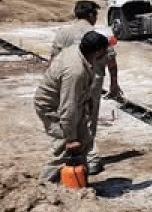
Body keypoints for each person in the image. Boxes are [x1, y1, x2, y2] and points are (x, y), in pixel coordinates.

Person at [50, 0, 122, 174]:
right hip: (92, 83)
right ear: (91, 15)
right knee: (88, 119)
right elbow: (111, 62)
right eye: (96, 15)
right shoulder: (98, 35)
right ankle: (90, 159)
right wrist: (114, 84)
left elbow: (53, 60)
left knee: (68, 114)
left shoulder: (63, 33)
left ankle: (71, 156)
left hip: (67, 80)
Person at [34, 31, 109, 182]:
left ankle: (77, 184)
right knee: (65, 148)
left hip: (70, 103)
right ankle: (43, 186)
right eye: (105, 50)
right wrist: (70, 138)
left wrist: (87, 100)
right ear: (98, 51)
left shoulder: (80, 51)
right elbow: (68, 108)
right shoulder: (75, 72)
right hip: (52, 107)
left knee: (84, 140)